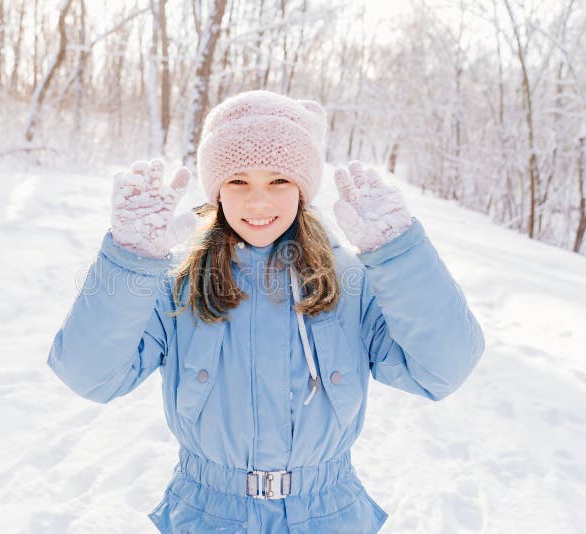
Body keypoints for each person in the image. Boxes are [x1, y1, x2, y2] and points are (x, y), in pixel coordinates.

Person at [47, 90, 485, 533]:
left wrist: (398, 253)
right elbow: (90, 376)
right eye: (238, 181)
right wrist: (130, 257)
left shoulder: (348, 284)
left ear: (303, 189)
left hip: (327, 515)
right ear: (216, 191)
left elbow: (441, 370)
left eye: (279, 180)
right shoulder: (179, 285)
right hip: (208, 516)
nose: (259, 202)